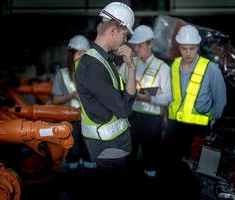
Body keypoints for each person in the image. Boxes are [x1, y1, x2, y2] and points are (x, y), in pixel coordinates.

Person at [74, 2, 136, 199]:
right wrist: (127, 98)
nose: (124, 40)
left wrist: (131, 67)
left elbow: (126, 95)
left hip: (115, 145)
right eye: (124, 35)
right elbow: (125, 108)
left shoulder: (105, 60)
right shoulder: (92, 66)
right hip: (107, 148)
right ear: (113, 30)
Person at [161, 24, 227, 199]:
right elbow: (170, 95)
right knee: (169, 168)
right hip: (175, 127)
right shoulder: (173, 66)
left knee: (197, 174)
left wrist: (214, 124)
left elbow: (220, 100)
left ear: (197, 47)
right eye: (184, 49)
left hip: (199, 129)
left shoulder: (210, 69)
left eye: (192, 49)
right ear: (179, 47)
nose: (188, 53)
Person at [119, 25, 171, 177]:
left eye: (140, 46)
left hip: (152, 121)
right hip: (131, 118)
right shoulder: (128, 63)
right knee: (128, 158)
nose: (136, 49)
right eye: (134, 46)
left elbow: (169, 97)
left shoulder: (163, 68)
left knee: (151, 160)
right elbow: (117, 85)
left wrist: (151, 98)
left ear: (151, 44)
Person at [52, 34, 96, 175]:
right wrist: (71, 95)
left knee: (90, 155)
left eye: (84, 53)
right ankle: (74, 186)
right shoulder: (62, 74)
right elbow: (55, 100)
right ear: (71, 54)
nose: (81, 56)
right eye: (78, 53)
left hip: (90, 120)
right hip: (71, 122)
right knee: (73, 154)